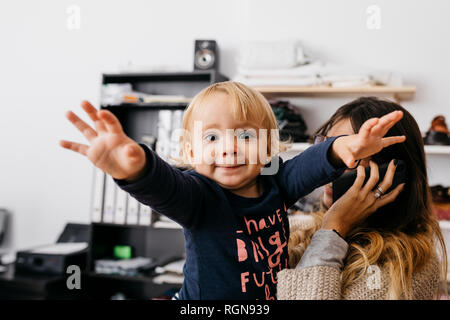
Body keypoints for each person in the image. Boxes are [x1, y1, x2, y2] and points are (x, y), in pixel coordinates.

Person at [60, 82, 405, 300]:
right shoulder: (199, 198)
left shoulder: (277, 183)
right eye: (211, 137)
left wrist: (341, 148)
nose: (229, 148)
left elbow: (309, 164)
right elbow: (166, 187)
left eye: (245, 136)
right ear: (191, 152)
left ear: (268, 148)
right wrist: (135, 168)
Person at [277, 97, 448, 300]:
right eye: (329, 148)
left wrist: (333, 229)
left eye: (353, 153)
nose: (329, 169)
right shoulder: (298, 228)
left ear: (390, 172)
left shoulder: (411, 266)